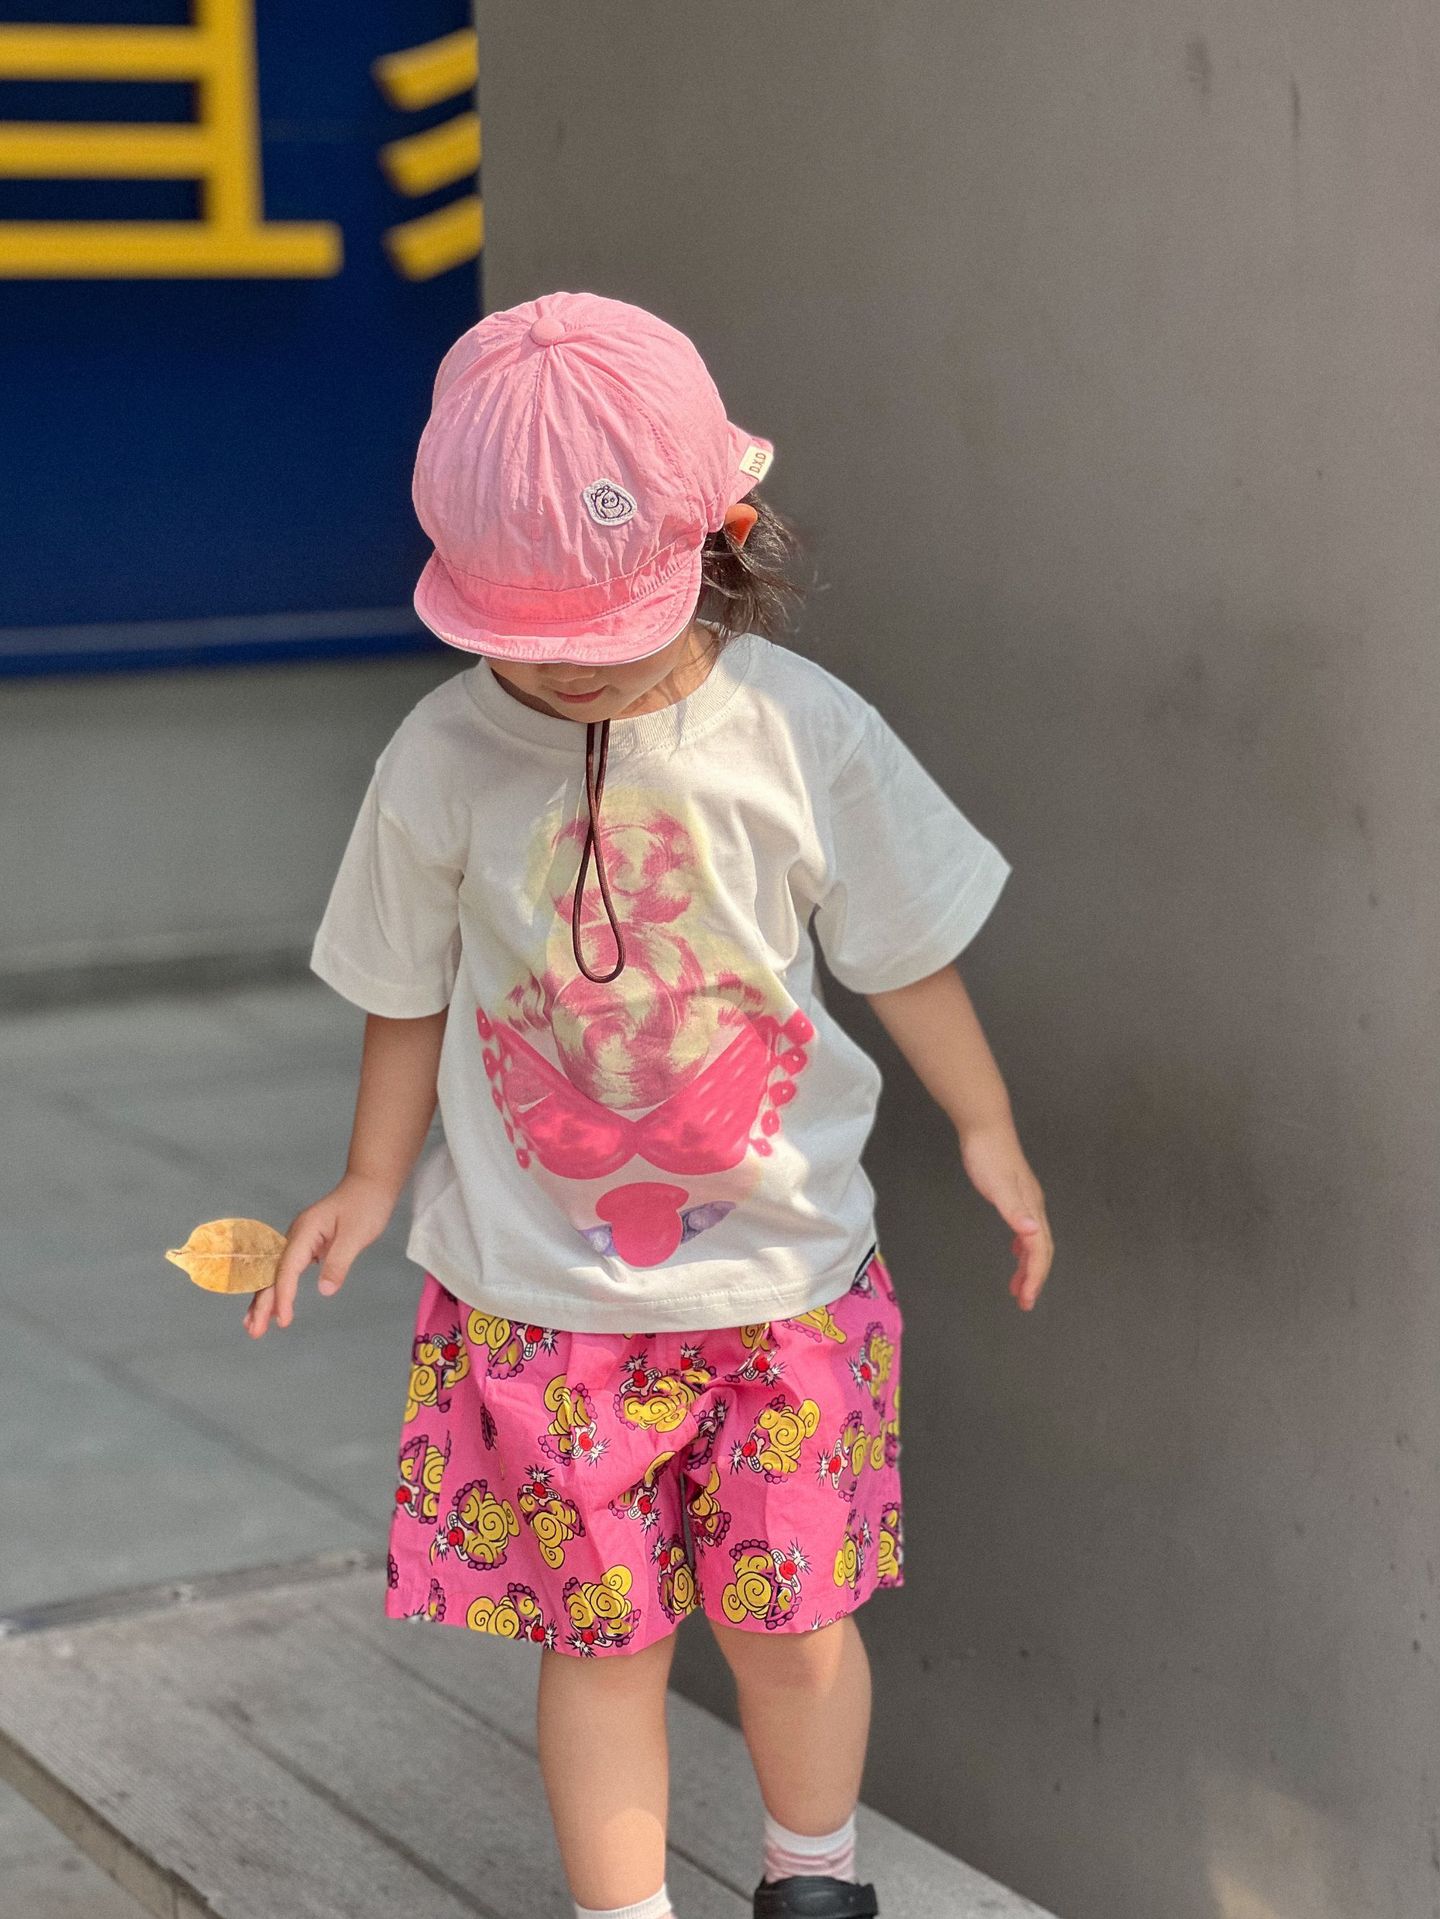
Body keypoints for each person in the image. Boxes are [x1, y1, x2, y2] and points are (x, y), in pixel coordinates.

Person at [244, 289, 1053, 1919]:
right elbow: (406, 987)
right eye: (519, 635)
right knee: (599, 1644)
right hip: (543, 1307)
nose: (556, 670)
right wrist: (370, 1175)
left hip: (785, 1290)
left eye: (594, 632)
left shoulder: (799, 732)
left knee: (794, 1626)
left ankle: (813, 1880)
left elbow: (904, 953)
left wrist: (987, 1128)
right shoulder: (439, 757)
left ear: (719, 538)